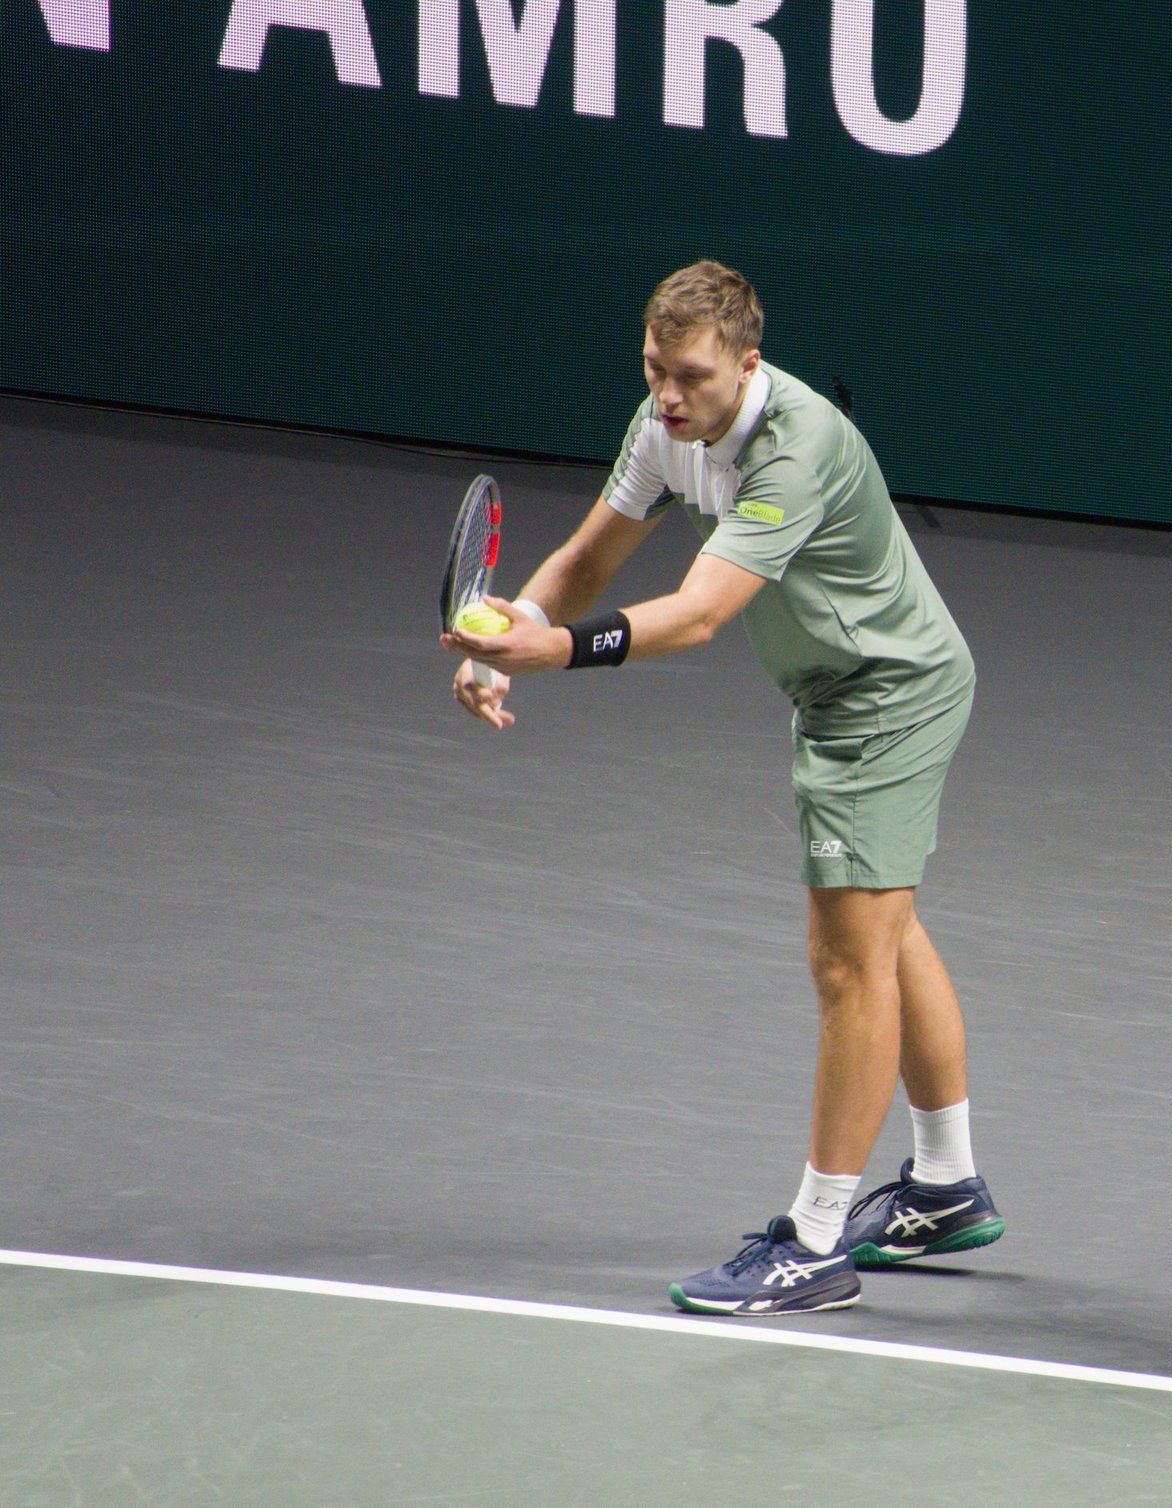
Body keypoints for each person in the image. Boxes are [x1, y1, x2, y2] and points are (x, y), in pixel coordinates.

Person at [442, 259, 1003, 1315]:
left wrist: (553, 651)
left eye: (691, 375)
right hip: (841, 689)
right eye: (654, 368)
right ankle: (943, 1183)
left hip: (885, 697)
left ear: (747, 364)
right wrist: (497, 633)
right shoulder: (665, 425)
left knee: (845, 961)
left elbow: (700, 613)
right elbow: (589, 554)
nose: (666, 395)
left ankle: (816, 1238)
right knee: (887, 933)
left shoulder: (796, 447)